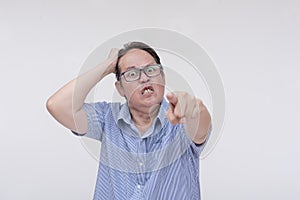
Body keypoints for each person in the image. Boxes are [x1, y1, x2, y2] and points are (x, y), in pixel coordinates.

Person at [46, 41, 212, 200]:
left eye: (151, 70)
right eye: (132, 74)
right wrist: (107, 65)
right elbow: (58, 105)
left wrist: (193, 111)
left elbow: (200, 125)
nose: (144, 78)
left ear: (163, 76)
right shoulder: (107, 118)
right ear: (120, 88)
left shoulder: (180, 118)